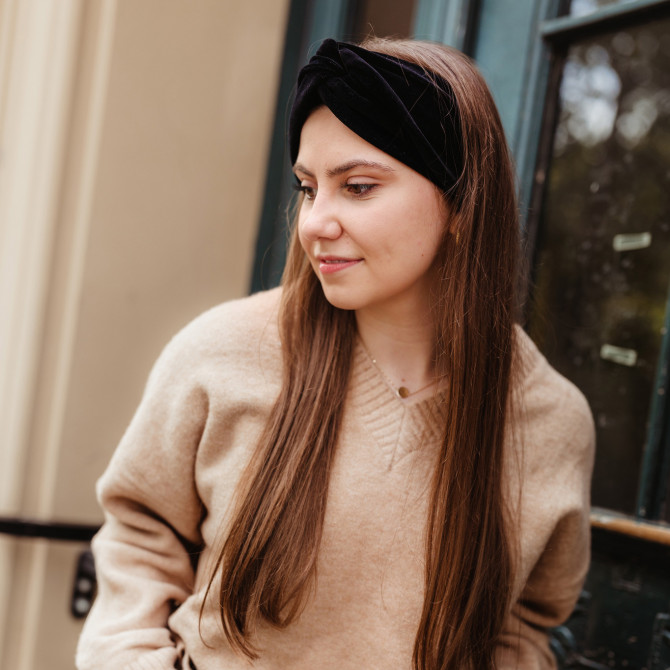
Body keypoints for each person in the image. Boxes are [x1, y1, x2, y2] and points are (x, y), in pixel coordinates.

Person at [76, 37, 595, 670]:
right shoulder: (221, 354)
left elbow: (525, 625)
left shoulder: (548, 421)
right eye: (307, 187)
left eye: (357, 187)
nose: (315, 221)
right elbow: (139, 534)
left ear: (461, 202)